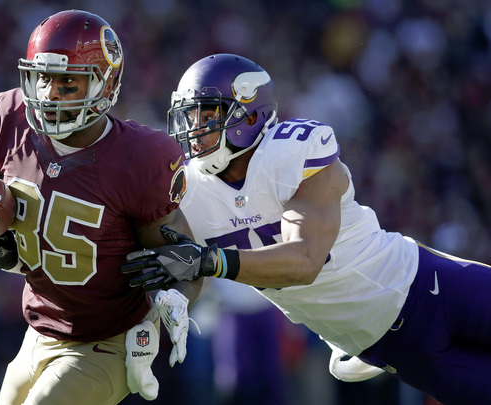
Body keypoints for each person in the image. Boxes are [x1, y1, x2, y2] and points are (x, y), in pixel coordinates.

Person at [122, 53, 491, 405]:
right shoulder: (186, 192)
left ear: (250, 116)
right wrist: (170, 304)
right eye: (188, 117)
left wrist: (211, 261)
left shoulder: (291, 152)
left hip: (431, 287)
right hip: (388, 346)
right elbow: (180, 266)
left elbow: (305, 260)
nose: (194, 130)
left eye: (208, 115)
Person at [0, 10, 200, 405]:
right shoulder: (8, 120)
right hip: (38, 332)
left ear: (105, 84)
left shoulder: (138, 157)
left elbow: (184, 255)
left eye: (68, 82)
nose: (49, 94)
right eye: (44, 78)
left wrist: (177, 300)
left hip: (106, 340)